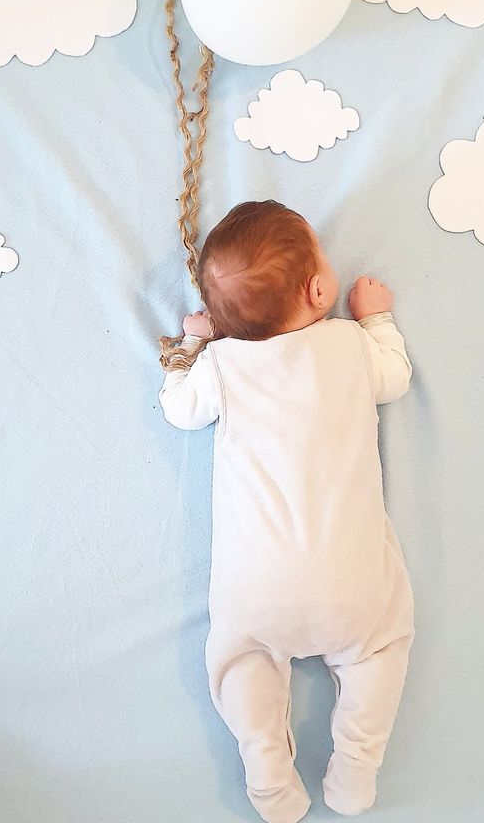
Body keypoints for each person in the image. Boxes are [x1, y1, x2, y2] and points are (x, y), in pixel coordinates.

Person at [160, 200, 414, 823]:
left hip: (258, 587)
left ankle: (268, 775)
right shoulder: (349, 346)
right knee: (380, 647)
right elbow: (395, 377)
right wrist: (378, 320)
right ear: (319, 288)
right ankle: (355, 769)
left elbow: (178, 409)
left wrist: (192, 344)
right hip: (350, 583)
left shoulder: (223, 365)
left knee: (240, 660)